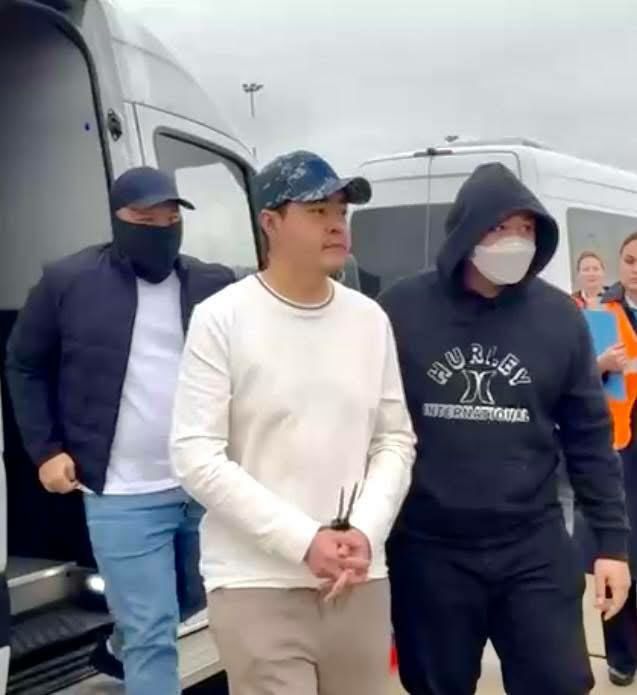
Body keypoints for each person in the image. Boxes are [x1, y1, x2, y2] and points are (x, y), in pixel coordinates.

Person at [379, 162, 631, 695]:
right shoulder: (401, 311)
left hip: (532, 543)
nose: (516, 241)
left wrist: (612, 544)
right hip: (430, 550)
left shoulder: (558, 317)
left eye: (526, 229)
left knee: (559, 682)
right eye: (500, 227)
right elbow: (370, 426)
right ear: (467, 230)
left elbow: (589, 436)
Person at [170, 150, 416, 695]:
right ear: (270, 222)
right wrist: (303, 540)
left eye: (342, 212)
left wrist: (365, 531)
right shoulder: (221, 318)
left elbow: (394, 440)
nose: (336, 224)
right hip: (257, 583)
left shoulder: (369, 319)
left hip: (359, 580)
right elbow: (195, 454)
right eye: (317, 211)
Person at [5, 167, 235, 694]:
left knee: (195, 600)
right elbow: (24, 363)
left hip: (204, 484)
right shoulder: (68, 282)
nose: (161, 229)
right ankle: (135, 642)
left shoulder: (213, 283)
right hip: (123, 493)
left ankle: (117, 645)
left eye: (171, 218)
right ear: (117, 219)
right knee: (153, 630)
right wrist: (46, 449)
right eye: (145, 219)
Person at [582, 232, 637, 687]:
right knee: (618, 550)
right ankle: (620, 655)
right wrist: (601, 364)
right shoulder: (601, 315)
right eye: (631, 260)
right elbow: (575, 380)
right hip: (619, 447)